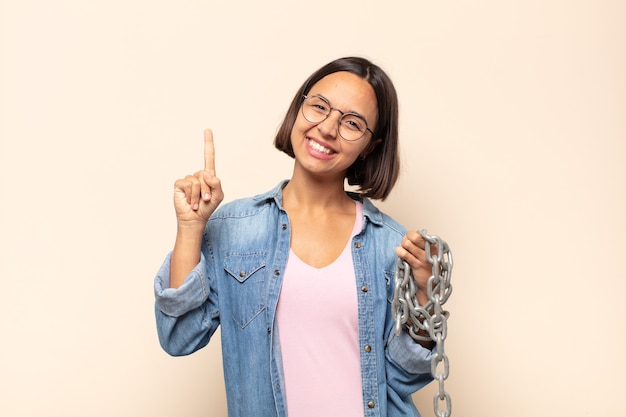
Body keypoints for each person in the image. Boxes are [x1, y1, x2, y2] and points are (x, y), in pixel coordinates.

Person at [154, 56, 436, 417]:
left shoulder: (389, 244)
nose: (328, 128)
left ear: (369, 145)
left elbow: (402, 378)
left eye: (352, 123)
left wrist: (425, 300)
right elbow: (178, 337)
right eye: (319, 107)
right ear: (299, 108)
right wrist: (191, 230)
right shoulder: (235, 228)